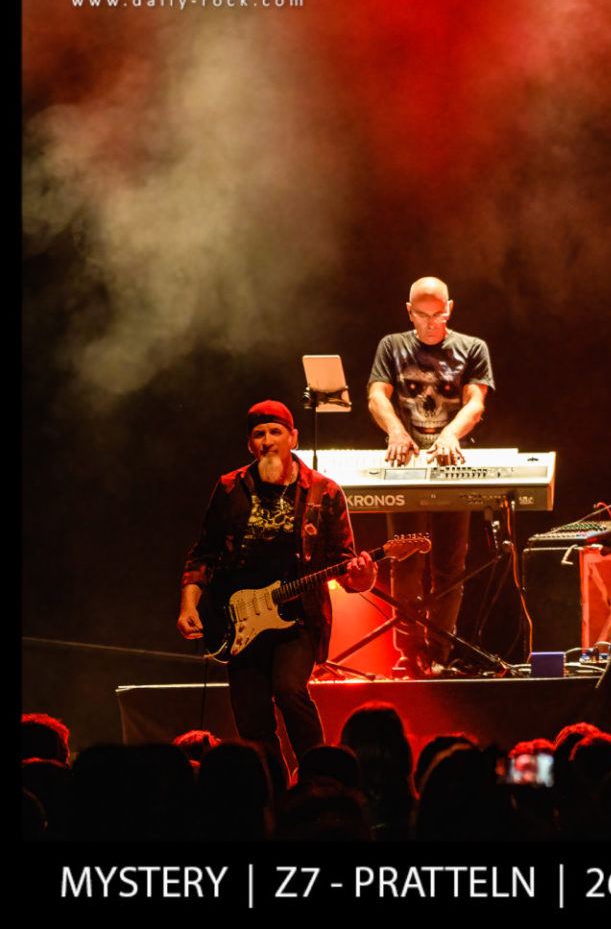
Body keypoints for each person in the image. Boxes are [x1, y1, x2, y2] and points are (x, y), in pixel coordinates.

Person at [179, 400, 374, 782]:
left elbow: (346, 567)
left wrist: (364, 576)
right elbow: (203, 553)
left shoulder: (324, 492)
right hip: (239, 619)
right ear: (249, 444)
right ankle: (272, 790)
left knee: (289, 690)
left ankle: (320, 778)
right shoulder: (230, 487)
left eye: (276, 432)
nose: (268, 440)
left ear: (293, 438)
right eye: (259, 434)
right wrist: (189, 606)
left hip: (297, 619)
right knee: (251, 715)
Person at [367, 276, 495, 676]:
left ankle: (439, 651)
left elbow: (475, 402)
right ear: (409, 312)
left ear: (450, 308)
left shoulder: (472, 348)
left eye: (438, 314)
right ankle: (410, 652)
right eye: (422, 315)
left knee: (450, 566)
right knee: (404, 561)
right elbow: (376, 396)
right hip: (405, 465)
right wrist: (396, 430)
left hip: (451, 466)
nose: (430, 323)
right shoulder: (392, 346)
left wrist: (450, 434)